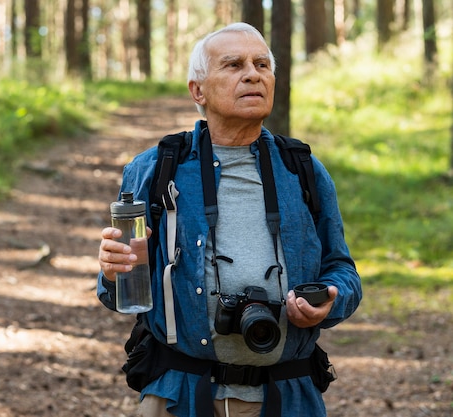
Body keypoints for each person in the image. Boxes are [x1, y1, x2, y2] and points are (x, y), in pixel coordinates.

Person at [97, 22, 362, 417]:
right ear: (198, 90)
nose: (252, 74)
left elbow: (342, 270)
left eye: (261, 65)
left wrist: (330, 300)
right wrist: (114, 272)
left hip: (286, 396)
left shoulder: (302, 169)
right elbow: (118, 294)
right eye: (233, 65)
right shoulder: (155, 168)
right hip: (178, 394)